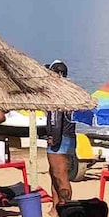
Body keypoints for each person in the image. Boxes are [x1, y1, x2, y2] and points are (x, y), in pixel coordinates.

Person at [44, 62, 77, 208]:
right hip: (70, 138)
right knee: (55, 175)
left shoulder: (56, 95)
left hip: (60, 139)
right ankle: (56, 207)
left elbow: (55, 119)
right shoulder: (69, 91)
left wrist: (54, 139)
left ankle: (66, 208)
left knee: (60, 177)